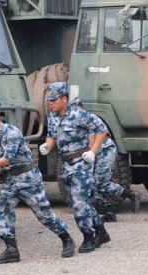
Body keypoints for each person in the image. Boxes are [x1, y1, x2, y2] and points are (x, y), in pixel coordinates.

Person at [0, 102, 76, 263]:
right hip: (12, 178)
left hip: (28, 178)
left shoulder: (11, 133)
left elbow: (8, 158)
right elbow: (4, 157)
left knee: (44, 214)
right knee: (2, 210)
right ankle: (12, 250)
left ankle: (67, 239)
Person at [40, 82, 110, 253]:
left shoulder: (79, 114)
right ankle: (101, 231)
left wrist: (93, 151)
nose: (51, 103)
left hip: (81, 162)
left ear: (64, 99)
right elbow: (51, 136)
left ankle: (88, 237)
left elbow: (102, 130)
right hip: (65, 163)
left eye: (54, 99)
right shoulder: (52, 116)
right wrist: (47, 146)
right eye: (49, 100)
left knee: (78, 201)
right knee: (80, 201)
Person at [69, 97, 142, 221]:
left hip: (105, 150)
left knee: (101, 183)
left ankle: (131, 194)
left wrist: (91, 154)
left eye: (73, 108)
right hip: (99, 152)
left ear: (78, 106)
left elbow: (92, 136)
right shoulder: (79, 119)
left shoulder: (86, 117)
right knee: (96, 183)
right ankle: (109, 212)